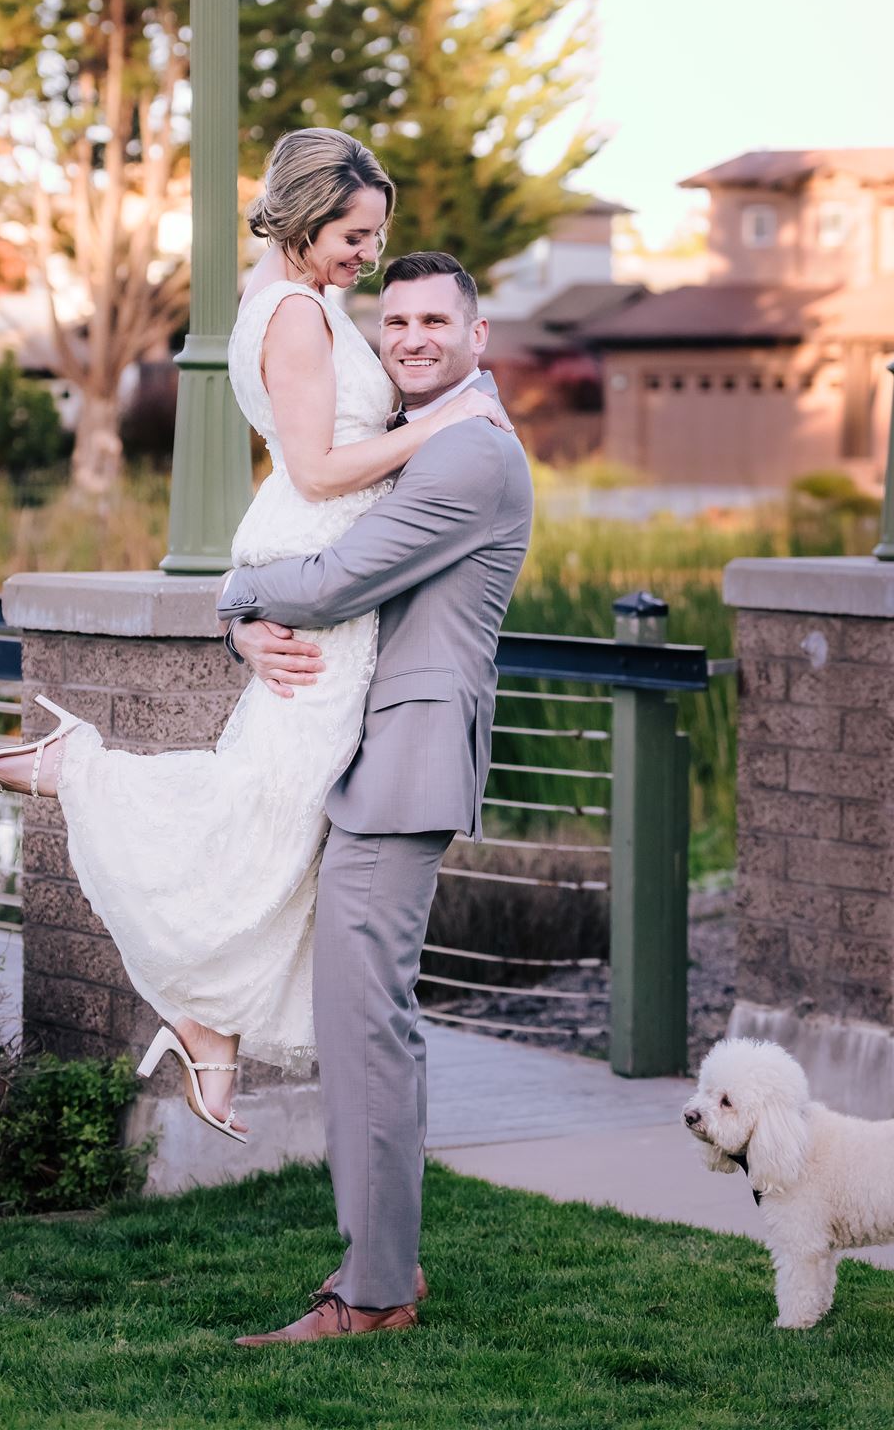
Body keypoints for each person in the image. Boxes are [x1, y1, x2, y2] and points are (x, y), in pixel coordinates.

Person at [0, 129, 508, 1141]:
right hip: (321, 557)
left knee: (282, 811)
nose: (367, 255)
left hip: (318, 568)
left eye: (375, 237)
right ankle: (77, 769)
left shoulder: (296, 303)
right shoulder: (296, 315)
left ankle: (207, 1025)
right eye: (354, 234)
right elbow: (314, 471)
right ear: (306, 219)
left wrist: (247, 609)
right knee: (271, 801)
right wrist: (442, 425)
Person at [217, 248, 533, 1344]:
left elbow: (339, 580)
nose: (410, 337)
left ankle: (373, 1293)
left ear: (476, 336)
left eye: (434, 322)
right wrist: (251, 632)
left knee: (367, 1026)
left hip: (404, 765)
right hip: (370, 753)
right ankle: (380, 1270)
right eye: (393, 319)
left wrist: (231, 593)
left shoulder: (468, 457)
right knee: (364, 1021)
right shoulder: (421, 439)